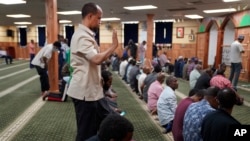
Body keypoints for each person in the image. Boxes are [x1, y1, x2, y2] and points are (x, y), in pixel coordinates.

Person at [66, 3, 119, 140]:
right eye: (99, 18)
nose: (100, 22)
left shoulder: (87, 35)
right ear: (90, 16)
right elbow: (96, 59)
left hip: (94, 91)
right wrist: (113, 47)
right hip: (85, 93)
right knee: (86, 133)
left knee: (109, 120)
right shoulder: (81, 36)